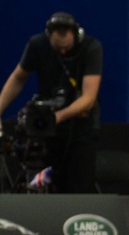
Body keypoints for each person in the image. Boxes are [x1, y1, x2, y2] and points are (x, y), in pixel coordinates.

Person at [0, 12, 102, 194]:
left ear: (76, 36)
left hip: (80, 127)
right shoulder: (37, 44)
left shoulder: (91, 48)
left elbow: (88, 98)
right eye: (58, 48)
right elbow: (18, 78)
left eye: (66, 48)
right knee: (47, 181)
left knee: (79, 186)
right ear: (48, 37)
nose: (62, 52)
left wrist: (57, 117)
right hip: (48, 128)